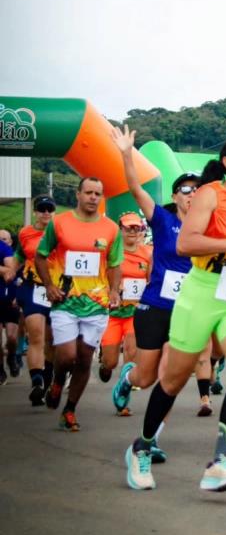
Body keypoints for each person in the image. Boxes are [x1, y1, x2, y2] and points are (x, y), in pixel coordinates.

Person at [124, 137, 226, 492]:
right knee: (173, 380)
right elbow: (186, 244)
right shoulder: (209, 194)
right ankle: (142, 447)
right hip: (201, 291)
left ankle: (220, 463)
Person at [110, 125, 213, 441]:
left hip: (186, 311)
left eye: (198, 189)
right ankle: (128, 379)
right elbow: (135, 189)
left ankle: (151, 439)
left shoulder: (210, 228)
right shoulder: (162, 220)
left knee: (169, 375)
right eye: (186, 189)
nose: (192, 194)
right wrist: (127, 154)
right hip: (155, 306)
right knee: (146, 378)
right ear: (174, 197)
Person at [35, 177, 123, 432]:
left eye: (98, 193)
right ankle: (57, 381)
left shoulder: (110, 228)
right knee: (67, 355)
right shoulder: (60, 223)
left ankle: (69, 410)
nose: (93, 197)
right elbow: (41, 256)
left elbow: (114, 264)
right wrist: (49, 285)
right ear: (78, 194)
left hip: (96, 303)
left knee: (85, 359)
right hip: (65, 300)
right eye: (89, 192)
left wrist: (114, 290)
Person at [100, 212, 152, 415]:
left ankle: (123, 397)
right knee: (111, 361)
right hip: (113, 313)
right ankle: (104, 365)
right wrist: (112, 289)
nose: (132, 231)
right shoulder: (111, 253)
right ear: (120, 229)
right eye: (128, 227)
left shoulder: (147, 253)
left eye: (136, 228)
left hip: (134, 312)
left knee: (131, 353)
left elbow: (151, 280)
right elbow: (100, 276)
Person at [13, 195, 57, 405]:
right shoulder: (25, 233)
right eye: (42, 209)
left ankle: (48, 377)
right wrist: (11, 271)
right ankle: (37, 381)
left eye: (50, 209)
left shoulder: (61, 232)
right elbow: (19, 256)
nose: (46, 212)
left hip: (57, 289)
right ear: (35, 211)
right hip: (33, 288)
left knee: (53, 340)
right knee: (36, 335)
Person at [0, 233, 17, 383]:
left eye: (4, 239)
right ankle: (0, 369)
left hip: (10, 300)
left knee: (11, 338)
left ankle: (12, 356)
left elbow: (10, 272)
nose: (1, 241)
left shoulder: (7, 251)